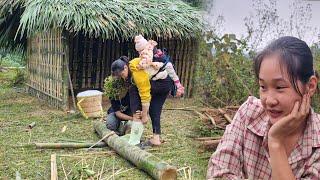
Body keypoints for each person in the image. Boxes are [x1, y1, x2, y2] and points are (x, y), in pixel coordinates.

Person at [207, 36, 319, 179]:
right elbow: (218, 173)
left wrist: (276, 142)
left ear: (310, 86)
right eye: (263, 87)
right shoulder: (249, 113)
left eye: (279, 87)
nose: (269, 101)